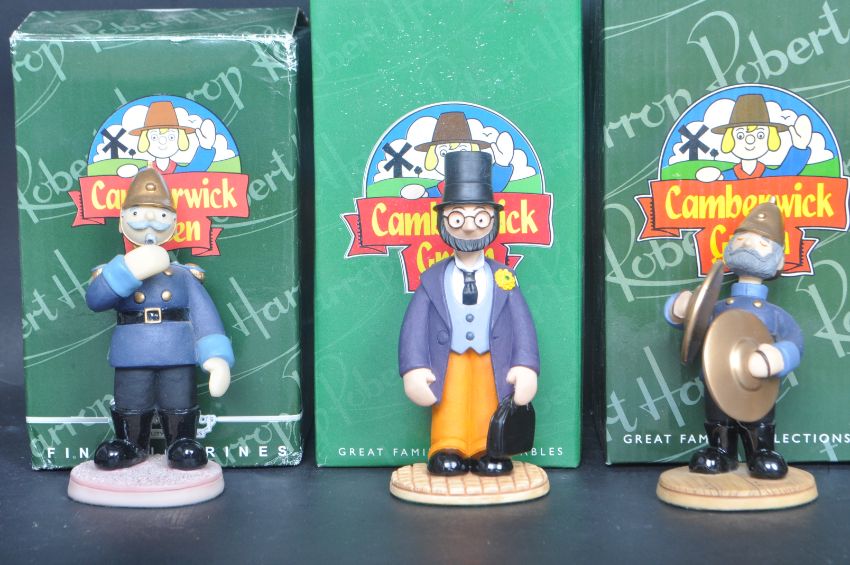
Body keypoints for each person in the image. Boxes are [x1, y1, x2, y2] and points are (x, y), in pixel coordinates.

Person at [398, 151, 539, 476]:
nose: (471, 227)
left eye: (481, 218)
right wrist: (414, 368)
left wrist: (525, 365)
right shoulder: (432, 280)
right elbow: (414, 327)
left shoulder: (504, 278)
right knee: (450, 400)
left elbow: (522, 325)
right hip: (448, 359)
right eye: (458, 218)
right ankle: (447, 444)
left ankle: (487, 447)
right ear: (443, 220)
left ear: (494, 220)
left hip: (493, 358)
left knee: (489, 398)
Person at [86, 168, 234, 470]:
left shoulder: (184, 275)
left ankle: (181, 441)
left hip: (176, 350)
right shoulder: (113, 271)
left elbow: (204, 315)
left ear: (174, 224)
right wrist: (127, 270)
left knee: (178, 397)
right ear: (122, 221)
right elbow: (96, 300)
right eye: (137, 213)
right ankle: (130, 443)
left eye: (162, 215)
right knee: (132, 398)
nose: (150, 222)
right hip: (133, 351)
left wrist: (216, 357)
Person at [665, 200, 803, 479]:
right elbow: (692, 325)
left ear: (778, 261)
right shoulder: (719, 307)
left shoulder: (774, 314)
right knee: (718, 417)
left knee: (758, 417)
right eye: (740, 239)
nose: (747, 244)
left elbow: (795, 342)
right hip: (718, 378)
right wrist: (681, 309)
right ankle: (720, 451)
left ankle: (761, 451)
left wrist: (778, 356)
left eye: (761, 243)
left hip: (758, 384)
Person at [696, 94, 813, 182]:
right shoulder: (726, 177)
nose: (750, 140)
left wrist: (799, 148)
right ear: (729, 139)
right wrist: (714, 179)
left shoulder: (771, 176)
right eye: (740, 136)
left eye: (760, 135)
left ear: (770, 138)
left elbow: (787, 172)